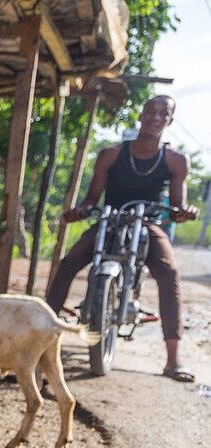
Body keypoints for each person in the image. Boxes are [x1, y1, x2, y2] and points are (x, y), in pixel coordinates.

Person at [46, 95, 199, 382]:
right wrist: (80, 211)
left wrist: (185, 212)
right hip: (109, 221)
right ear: (141, 115)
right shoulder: (111, 154)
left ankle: (173, 359)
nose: (155, 117)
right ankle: (39, 337)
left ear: (169, 120)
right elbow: (92, 199)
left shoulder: (176, 160)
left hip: (147, 224)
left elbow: (177, 206)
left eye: (162, 113)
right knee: (68, 264)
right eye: (150, 111)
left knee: (169, 274)